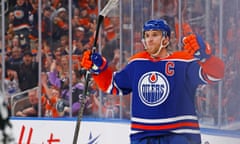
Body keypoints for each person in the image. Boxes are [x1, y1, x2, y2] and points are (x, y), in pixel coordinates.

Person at [81, 19, 225, 144]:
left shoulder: (183, 61)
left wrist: (206, 58)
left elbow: (215, 75)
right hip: (143, 136)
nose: (149, 39)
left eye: (155, 35)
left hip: (180, 135)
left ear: (166, 39)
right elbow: (112, 85)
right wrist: (99, 68)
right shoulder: (137, 63)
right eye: (147, 35)